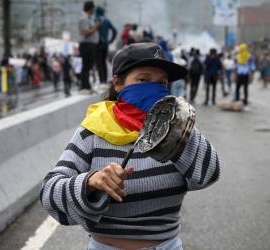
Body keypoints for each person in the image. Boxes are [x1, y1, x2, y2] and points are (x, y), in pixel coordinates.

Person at [40, 42, 221, 250]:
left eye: (162, 83)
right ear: (118, 83)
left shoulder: (174, 126)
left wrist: (181, 127)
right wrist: (91, 182)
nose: (155, 89)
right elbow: (49, 192)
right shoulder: (94, 130)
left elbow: (209, 173)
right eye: (143, 79)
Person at [78, 1, 101, 94]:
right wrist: (96, 27)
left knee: (89, 65)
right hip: (86, 45)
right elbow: (85, 33)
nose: (94, 10)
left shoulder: (88, 18)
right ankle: (84, 87)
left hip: (90, 44)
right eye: (93, 8)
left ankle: (87, 86)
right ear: (90, 8)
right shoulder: (83, 18)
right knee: (86, 65)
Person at [95, 6, 117, 88]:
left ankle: (102, 81)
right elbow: (115, 31)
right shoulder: (107, 20)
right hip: (106, 44)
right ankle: (104, 81)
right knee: (103, 62)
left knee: (99, 62)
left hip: (98, 44)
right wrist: (110, 40)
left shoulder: (96, 19)